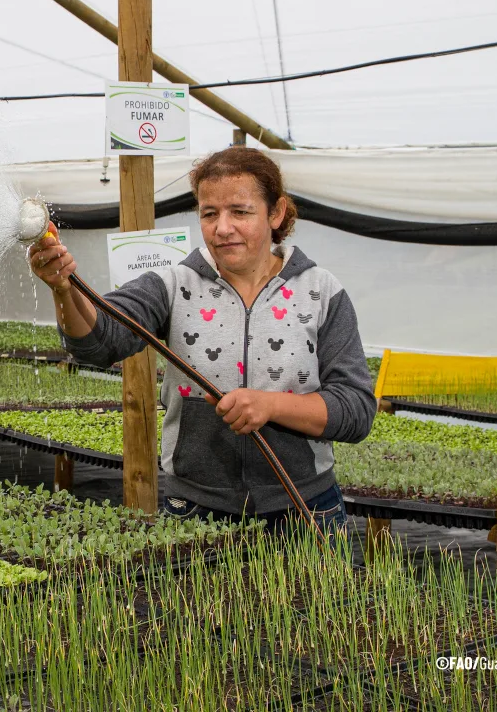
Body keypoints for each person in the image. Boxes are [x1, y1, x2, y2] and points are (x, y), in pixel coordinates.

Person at [28, 147, 376, 534]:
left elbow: (356, 409)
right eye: (209, 213)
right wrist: (63, 289)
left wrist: (270, 406)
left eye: (240, 212)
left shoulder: (320, 291)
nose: (222, 227)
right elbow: (99, 342)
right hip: (197, 510)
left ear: (275, 213)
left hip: (305, 510)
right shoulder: (174, 285)